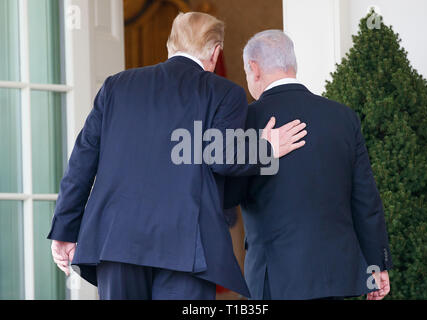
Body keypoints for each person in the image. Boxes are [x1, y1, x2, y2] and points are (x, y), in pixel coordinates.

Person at [48, 13, 307, 300]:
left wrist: (64, 229)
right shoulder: (224, 92)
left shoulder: (116, 86)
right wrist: (266, 148)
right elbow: (221, 157)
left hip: (117, 241)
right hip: (186, 247)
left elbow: (82, 162)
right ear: (215, 52)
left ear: (170, 45)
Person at [225, 30, 393, 300]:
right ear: (292, 63)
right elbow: (365, 200)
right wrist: (377, 265)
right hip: (337, 277)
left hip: (275, 280)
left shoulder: (245, 121)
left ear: (254, 69)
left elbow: (227, 195)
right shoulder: (343, 117)